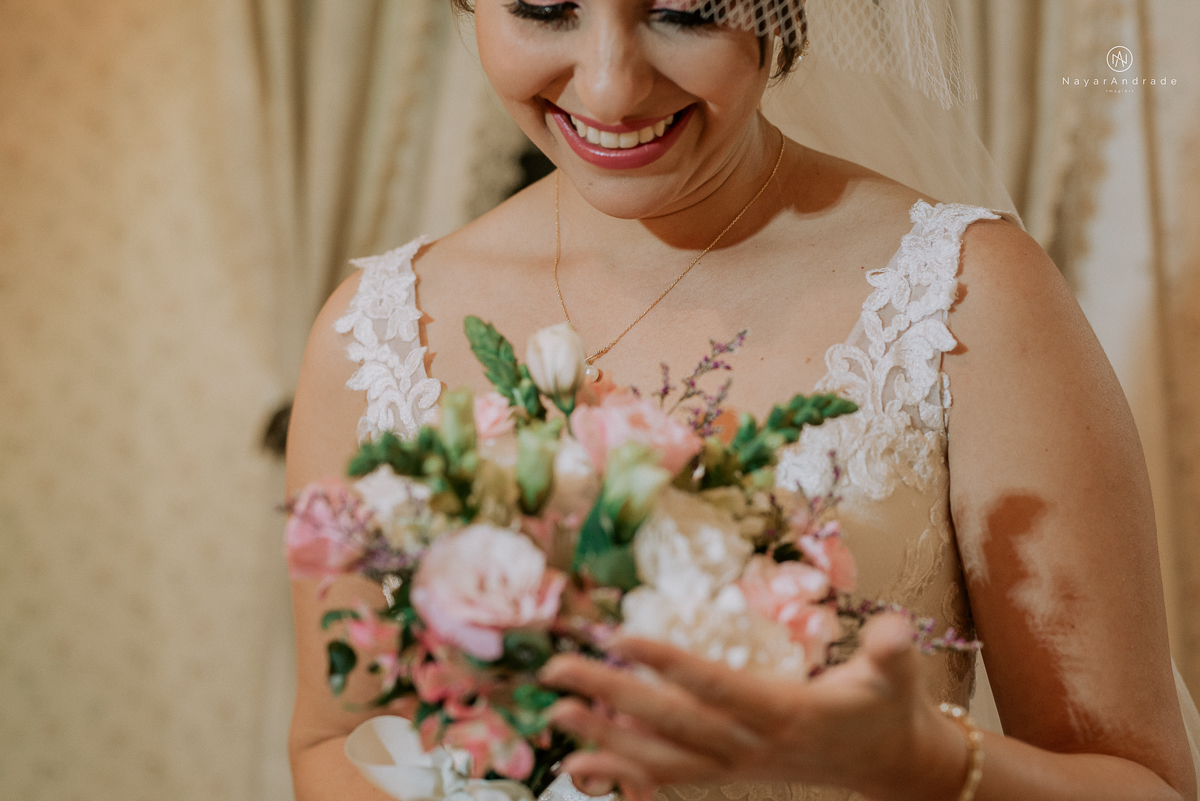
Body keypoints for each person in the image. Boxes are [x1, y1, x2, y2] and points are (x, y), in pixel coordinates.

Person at [284, 1, 1200, 799]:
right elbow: (336, 738)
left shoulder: (965, 300)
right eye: (541, 3)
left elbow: (1146, 787)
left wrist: (925, 765)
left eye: (684, 8)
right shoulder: (375, 331)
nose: (607, 88)